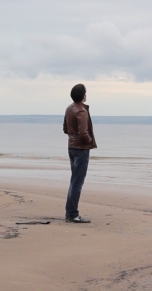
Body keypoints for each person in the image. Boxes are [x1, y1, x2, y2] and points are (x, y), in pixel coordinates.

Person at [63, 83, 97, 223]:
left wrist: (74, 137)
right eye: (85, 93)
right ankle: (72, 213)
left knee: (74, 180)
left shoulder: (69, 108)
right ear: (83, 96)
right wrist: (88, 140)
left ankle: (70, 212)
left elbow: (65, 129)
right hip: (81, 149)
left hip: (72, 147)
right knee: (77, 181)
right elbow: (83, 133)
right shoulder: (81, 111)